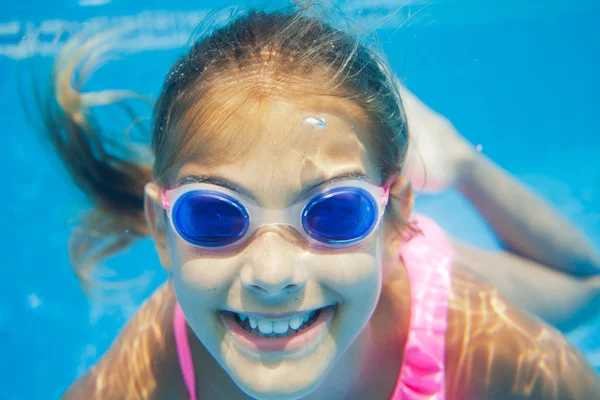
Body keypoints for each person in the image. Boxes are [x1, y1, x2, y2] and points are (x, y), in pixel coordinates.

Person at [38, 6, 600, 400]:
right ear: (162, 230)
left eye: (333, 212)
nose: (272, 274)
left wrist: (463, 169)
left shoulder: (479, 340)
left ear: (396, 215)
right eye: (213, 215)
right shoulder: (154, 361)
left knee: (589, 291)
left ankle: (455, 158)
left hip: (428, 282)